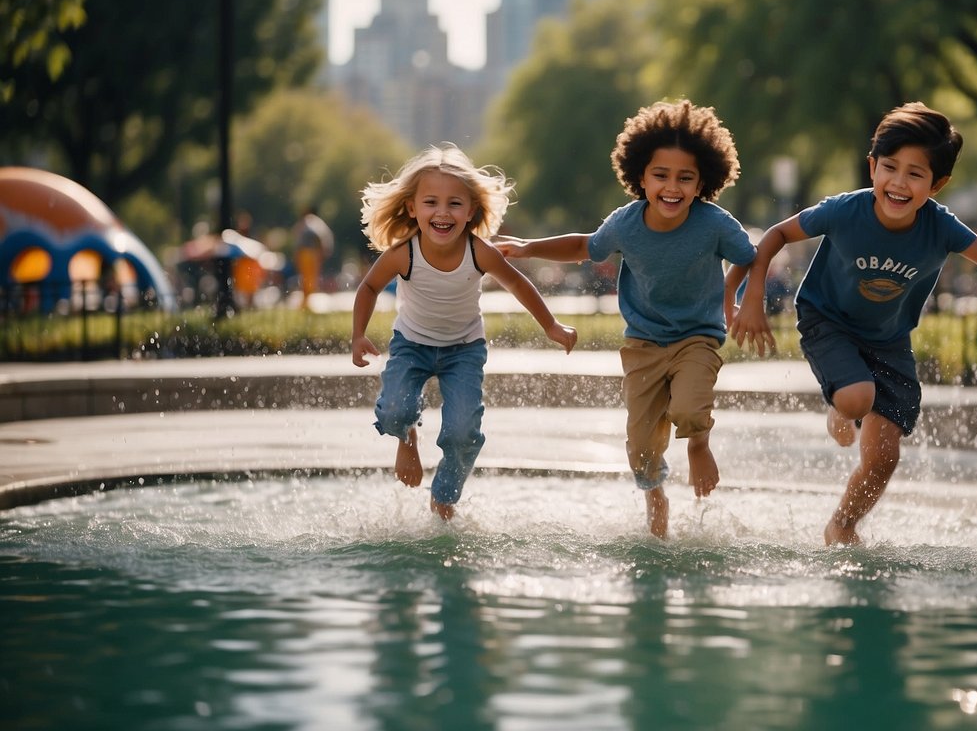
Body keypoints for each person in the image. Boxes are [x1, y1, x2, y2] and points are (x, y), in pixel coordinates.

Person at [728, 102, 977, 547]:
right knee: (858, 397)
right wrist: (754, 299)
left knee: (883, 459)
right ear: (872, 166)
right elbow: (778, 233)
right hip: (828, 319)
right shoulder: (845, 211)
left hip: (889, 340)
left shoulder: (940, 227)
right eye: (890, 168)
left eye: (915, 174)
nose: (899, 182)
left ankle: (842, 523)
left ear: (937, 184)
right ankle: (843, 403)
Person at [497, 100, 757, 538]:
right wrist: (528, 246)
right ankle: (655, 496)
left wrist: (735, 296)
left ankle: (698, 444)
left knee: (690, 408)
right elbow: (585, 246)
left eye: (685, 178)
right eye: (661, 175)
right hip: (643, 345)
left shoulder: (714, 224)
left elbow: (750, 257)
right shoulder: (626, 224)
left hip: (698, 337)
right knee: (640, 447)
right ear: (640, 177)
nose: (672, 187)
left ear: (702, 182)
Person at [351, 144, 577, 521]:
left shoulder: (479, 251)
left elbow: (519, 285)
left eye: (455, 203)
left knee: (462, 431)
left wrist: (550, 325)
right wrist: (358, 334)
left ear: (471, 210)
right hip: (412, 345)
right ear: (412, 207)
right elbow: (369, 288)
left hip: (463, 351)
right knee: (395, 411)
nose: (443, 212)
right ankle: (407, 435)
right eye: (431, 202)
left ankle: (445, 496)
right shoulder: (403, 253)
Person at [293, 206, 334, 308]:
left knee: (307, 279)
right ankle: (306, 303)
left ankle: (305, 303)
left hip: (307, 253)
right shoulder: (317, 222)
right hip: (311, 254)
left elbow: (314, 235)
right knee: (310, 279)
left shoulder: (308, 220)